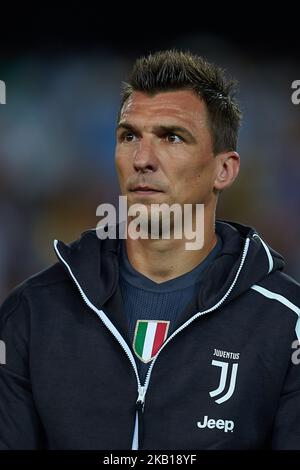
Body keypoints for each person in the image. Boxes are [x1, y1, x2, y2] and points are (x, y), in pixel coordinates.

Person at [0, 50, 300, 451]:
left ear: (223, 169)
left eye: (171, 137)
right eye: (129, 137)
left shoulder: (286, 323)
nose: (142, 159)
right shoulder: (33, 312)